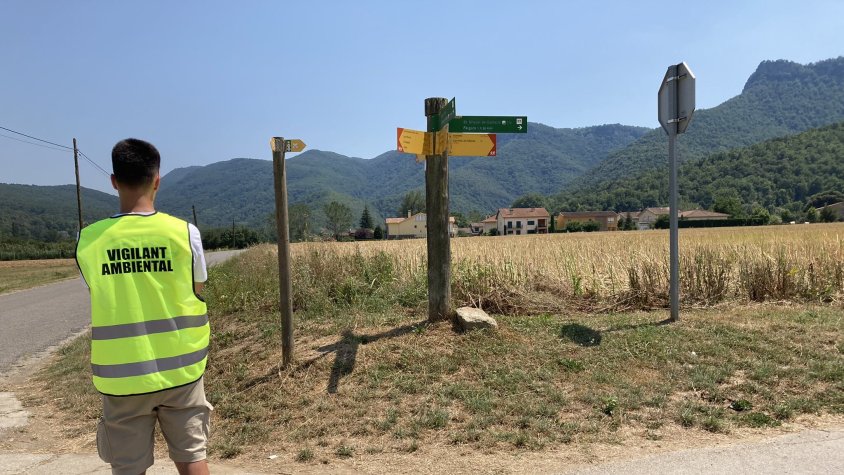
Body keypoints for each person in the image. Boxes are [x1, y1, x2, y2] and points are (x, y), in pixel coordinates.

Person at [76, 138, 212, 475]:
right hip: (182, 369)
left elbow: (100, 289)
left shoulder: (89, 239)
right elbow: (198, 289)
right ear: (157, 180)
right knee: (192, 456)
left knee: (128, 467)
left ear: (113, 181)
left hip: (122, 378)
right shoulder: (184, 233)